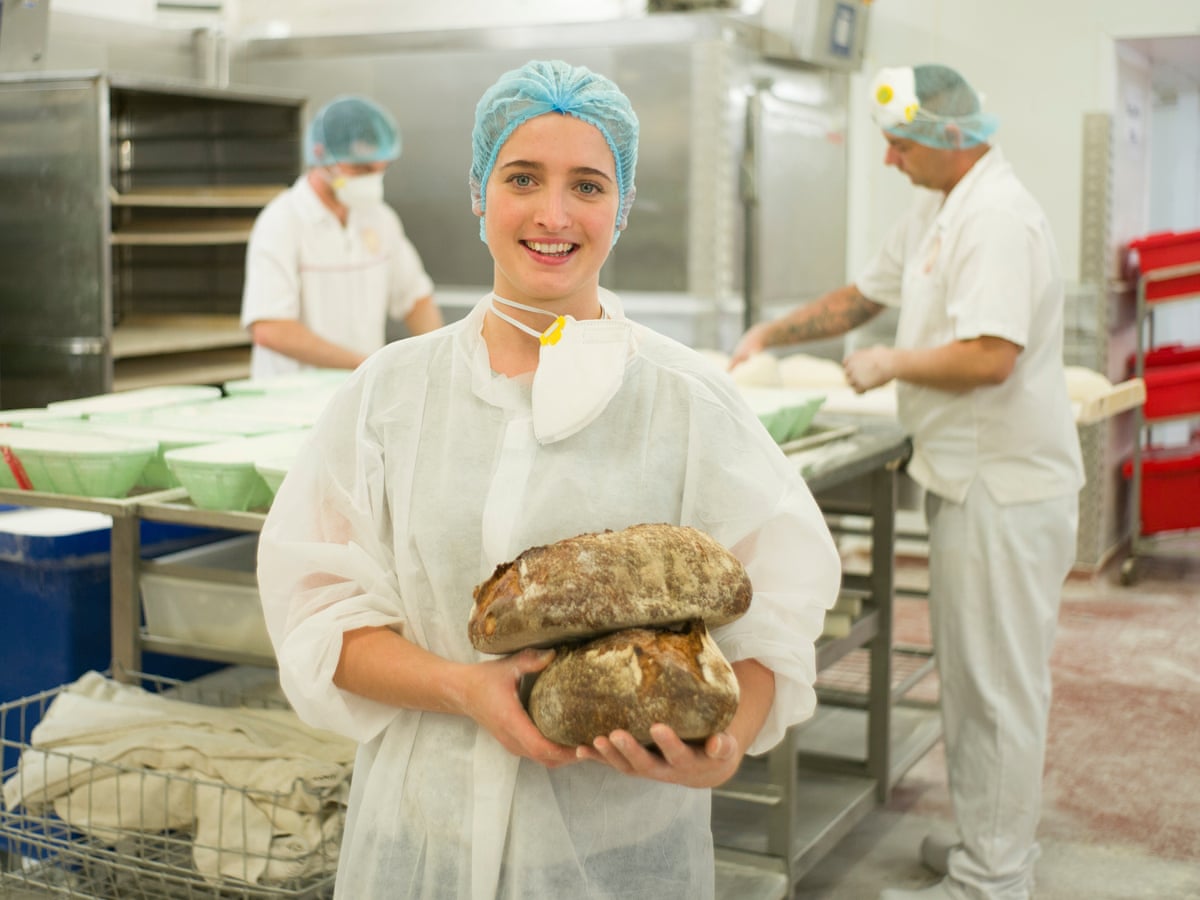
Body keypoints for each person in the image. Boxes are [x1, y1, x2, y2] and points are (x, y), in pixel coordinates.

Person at [256, 60, 841, 899]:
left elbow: (778, 609)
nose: (554, 214)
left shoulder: (687, 401)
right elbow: (316, 610)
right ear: (479, 192)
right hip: (421, 845)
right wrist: (462, 688)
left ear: (623, 206)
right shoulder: (390, 393)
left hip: (615, 851)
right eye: (522, 178)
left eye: (589, 186)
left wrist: (727, 746)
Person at [732, 64, 1085, 900]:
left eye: (899, 144)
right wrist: (771, 335)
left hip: (1005, 489)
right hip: (968, 478)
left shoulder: (996, 218)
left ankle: (993, 880)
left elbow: (991, 356)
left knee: (996, 688)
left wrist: (892, 362)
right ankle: (985, 847)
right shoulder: (940, 209)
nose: (889, 159)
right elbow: (863, 296)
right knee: (974, 680)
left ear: (947, 140)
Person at [240, 94, 444, 380]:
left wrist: (441, 360)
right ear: (321, 155)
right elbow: (270, 328)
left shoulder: (379, 218)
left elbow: (415, 298)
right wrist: (366, 365)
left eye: (380, 169)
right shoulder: (282, 222)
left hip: (359, 391)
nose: (372, 179)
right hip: (292, 401)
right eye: (360, 169)